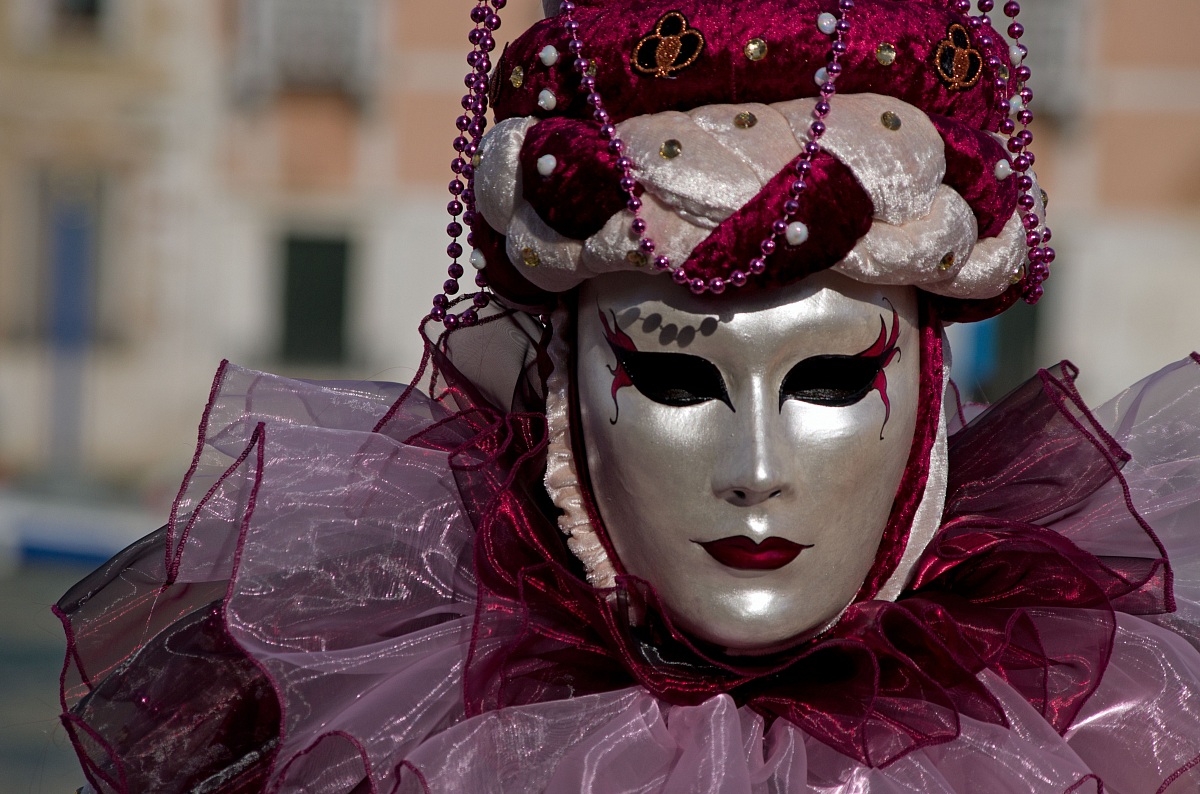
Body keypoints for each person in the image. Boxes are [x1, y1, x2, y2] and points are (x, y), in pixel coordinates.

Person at [56, 0, 1200, 791]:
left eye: (831, 377)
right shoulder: (392, 722)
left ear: (928, 389)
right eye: (671, 375)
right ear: (560, 394)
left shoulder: (1108, 729)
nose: (756, 468)